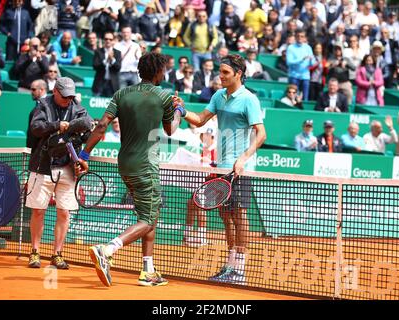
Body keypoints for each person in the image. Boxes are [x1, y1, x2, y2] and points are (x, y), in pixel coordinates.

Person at [77, 52, 182, 287]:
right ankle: (107, 249)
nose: (164, 73)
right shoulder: (164, 97)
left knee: (149, 216)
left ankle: (148, 271)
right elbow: (171, 130)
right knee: (147, 218)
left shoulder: (121, 94)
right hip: (146, 166)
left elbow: (102, 124)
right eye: (163, 69)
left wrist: (84, 153)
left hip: (124, 164)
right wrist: (179, 113)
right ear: (157, 72)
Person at [175, 54, 267, 285]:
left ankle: (241, 270)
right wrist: (183, 111)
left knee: (240, 215)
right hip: (222, 166)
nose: (221, 76)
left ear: (238, 74)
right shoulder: (218, 96)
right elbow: (200, 120)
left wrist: (244, 158)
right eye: (220, 71)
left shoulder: (249, 99)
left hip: (241, 168)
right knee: (225, 216)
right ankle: (230, 266)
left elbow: (262, 134)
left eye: (226, 72)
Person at [26, 77, 93, 269]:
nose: (68, 100)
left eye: (71, 96)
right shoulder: (43, 105)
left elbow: (88, 127)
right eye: (64, 96)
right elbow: (36, 128)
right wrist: (58, 125)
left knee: (64, 213)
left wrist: (82, 158)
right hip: (43, 166)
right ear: (55, 91)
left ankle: (57, 254)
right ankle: (35, 252)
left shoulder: (78, 108)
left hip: (68, 168)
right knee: (39, 211)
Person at [286, 30, 315, 101]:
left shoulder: (308, 47)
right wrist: (301, 59)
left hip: (305, 76)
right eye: (298, 36)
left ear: (305, 38)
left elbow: (313, 63)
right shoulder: (291, 48)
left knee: (305, 97)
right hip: (294, 76)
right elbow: (289, 62)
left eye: (302, 36)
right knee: (293, 98)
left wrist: (311, 60)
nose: (300, 38)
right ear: (295, 37)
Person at [92, 31, 121, 97]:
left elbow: (118, 67)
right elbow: (95, 66)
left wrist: (112, 60)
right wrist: (106, 61)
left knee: (111, 106)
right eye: (106, 39)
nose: (108, 41)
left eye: (110, 39)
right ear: (103, 40)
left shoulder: (117, 53)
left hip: (112, 84)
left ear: (113, 41)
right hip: (99, 83)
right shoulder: (98, 51)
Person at [26, 79, 48, 151]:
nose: (31, 92)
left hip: (41, 149)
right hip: (35, 148)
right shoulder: (39, 104)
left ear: (41, 90)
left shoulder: (47, 105)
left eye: (34, 89)